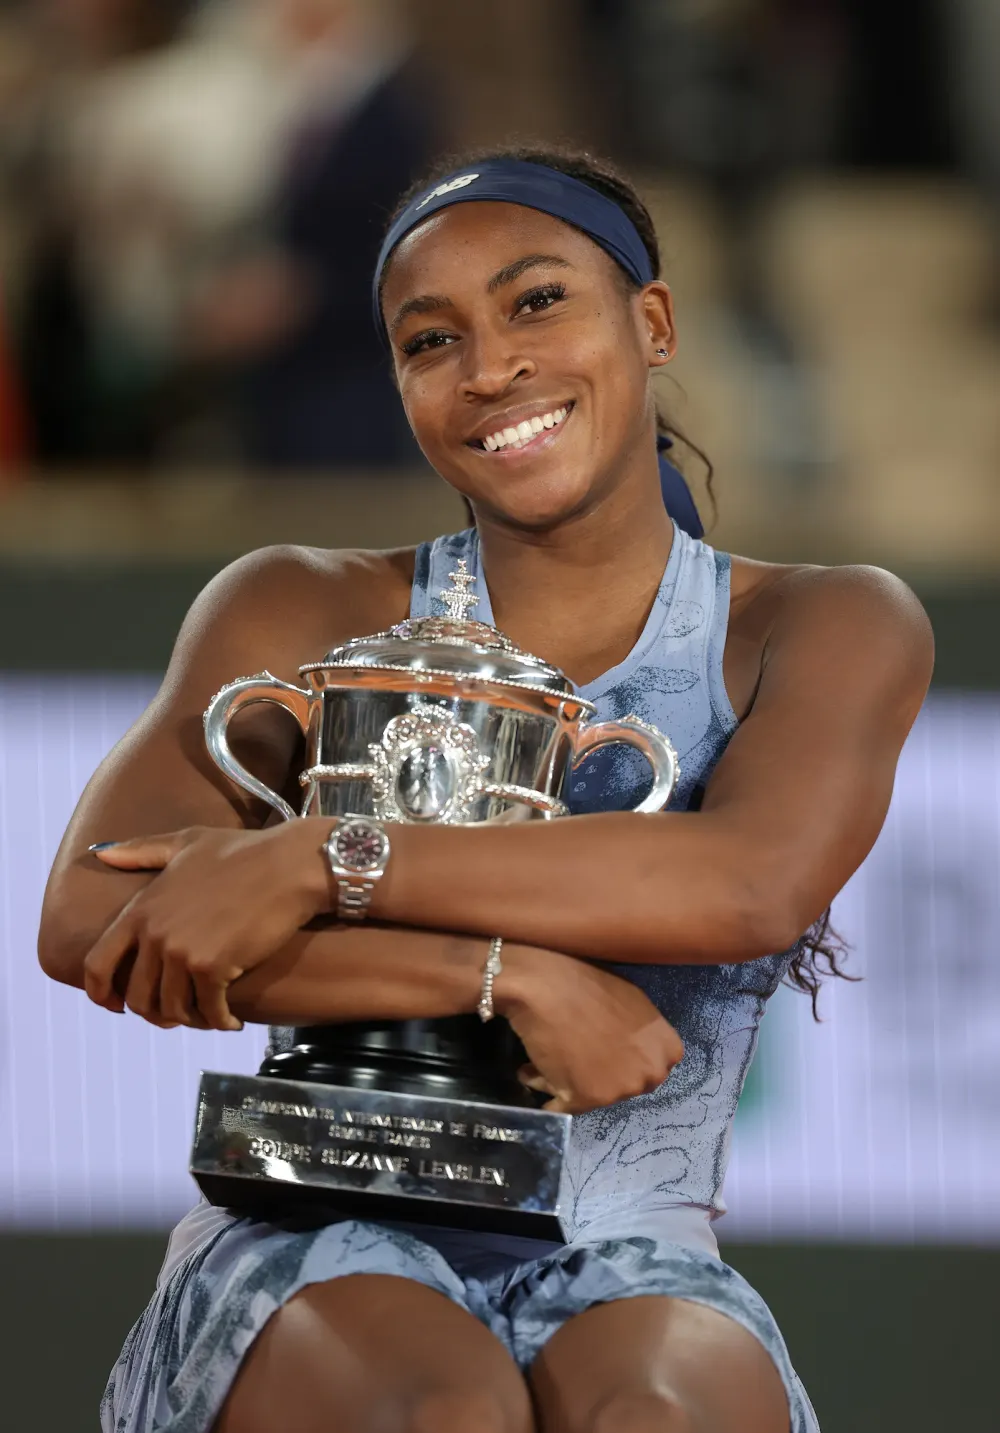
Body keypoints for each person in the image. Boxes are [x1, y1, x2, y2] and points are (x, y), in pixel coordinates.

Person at [38, 145, 934, 1433]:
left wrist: (319, 861)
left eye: (536, 302)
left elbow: (749, 885)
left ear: (654, 322)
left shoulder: (826, 622)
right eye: (428, 338)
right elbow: (88, 918)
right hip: (324, 1228)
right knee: (441, 1414)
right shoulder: (302, 600)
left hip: (639, 1254)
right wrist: (503, 976)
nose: (491, 366)